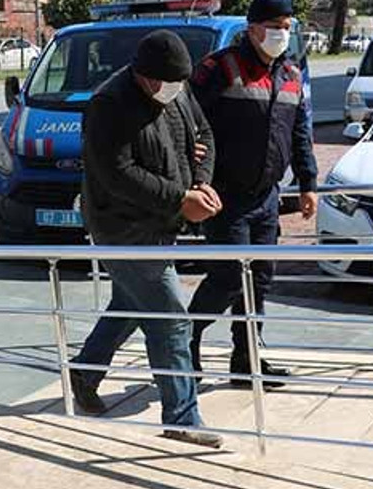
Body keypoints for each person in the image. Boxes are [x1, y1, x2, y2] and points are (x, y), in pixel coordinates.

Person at [68, 30, 224, 449]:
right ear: (143, 75)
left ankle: (83, 373)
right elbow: (115, 173)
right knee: (171, 318)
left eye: (179, 83)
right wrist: (180, 199)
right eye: (165, 83)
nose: (173, 90)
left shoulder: (177, 86)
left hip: (161, 222)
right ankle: (182, 416)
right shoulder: (109, 104)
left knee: (131, 304)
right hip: (121, 229)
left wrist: (200, 184)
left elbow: (203, 136)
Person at [186, 0, 319, 389]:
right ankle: (186, 341)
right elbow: (185, 115)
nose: (281, 34)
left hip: (267, 198)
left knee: (259, 277)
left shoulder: (291, 75)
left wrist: (308, 183)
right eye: (274, 27)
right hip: (224, 196)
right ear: (252, 29)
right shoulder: (219, 68)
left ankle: (247, 360)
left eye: (286, 27)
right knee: (228, 276)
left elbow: (300, 134)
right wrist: (191, 164)